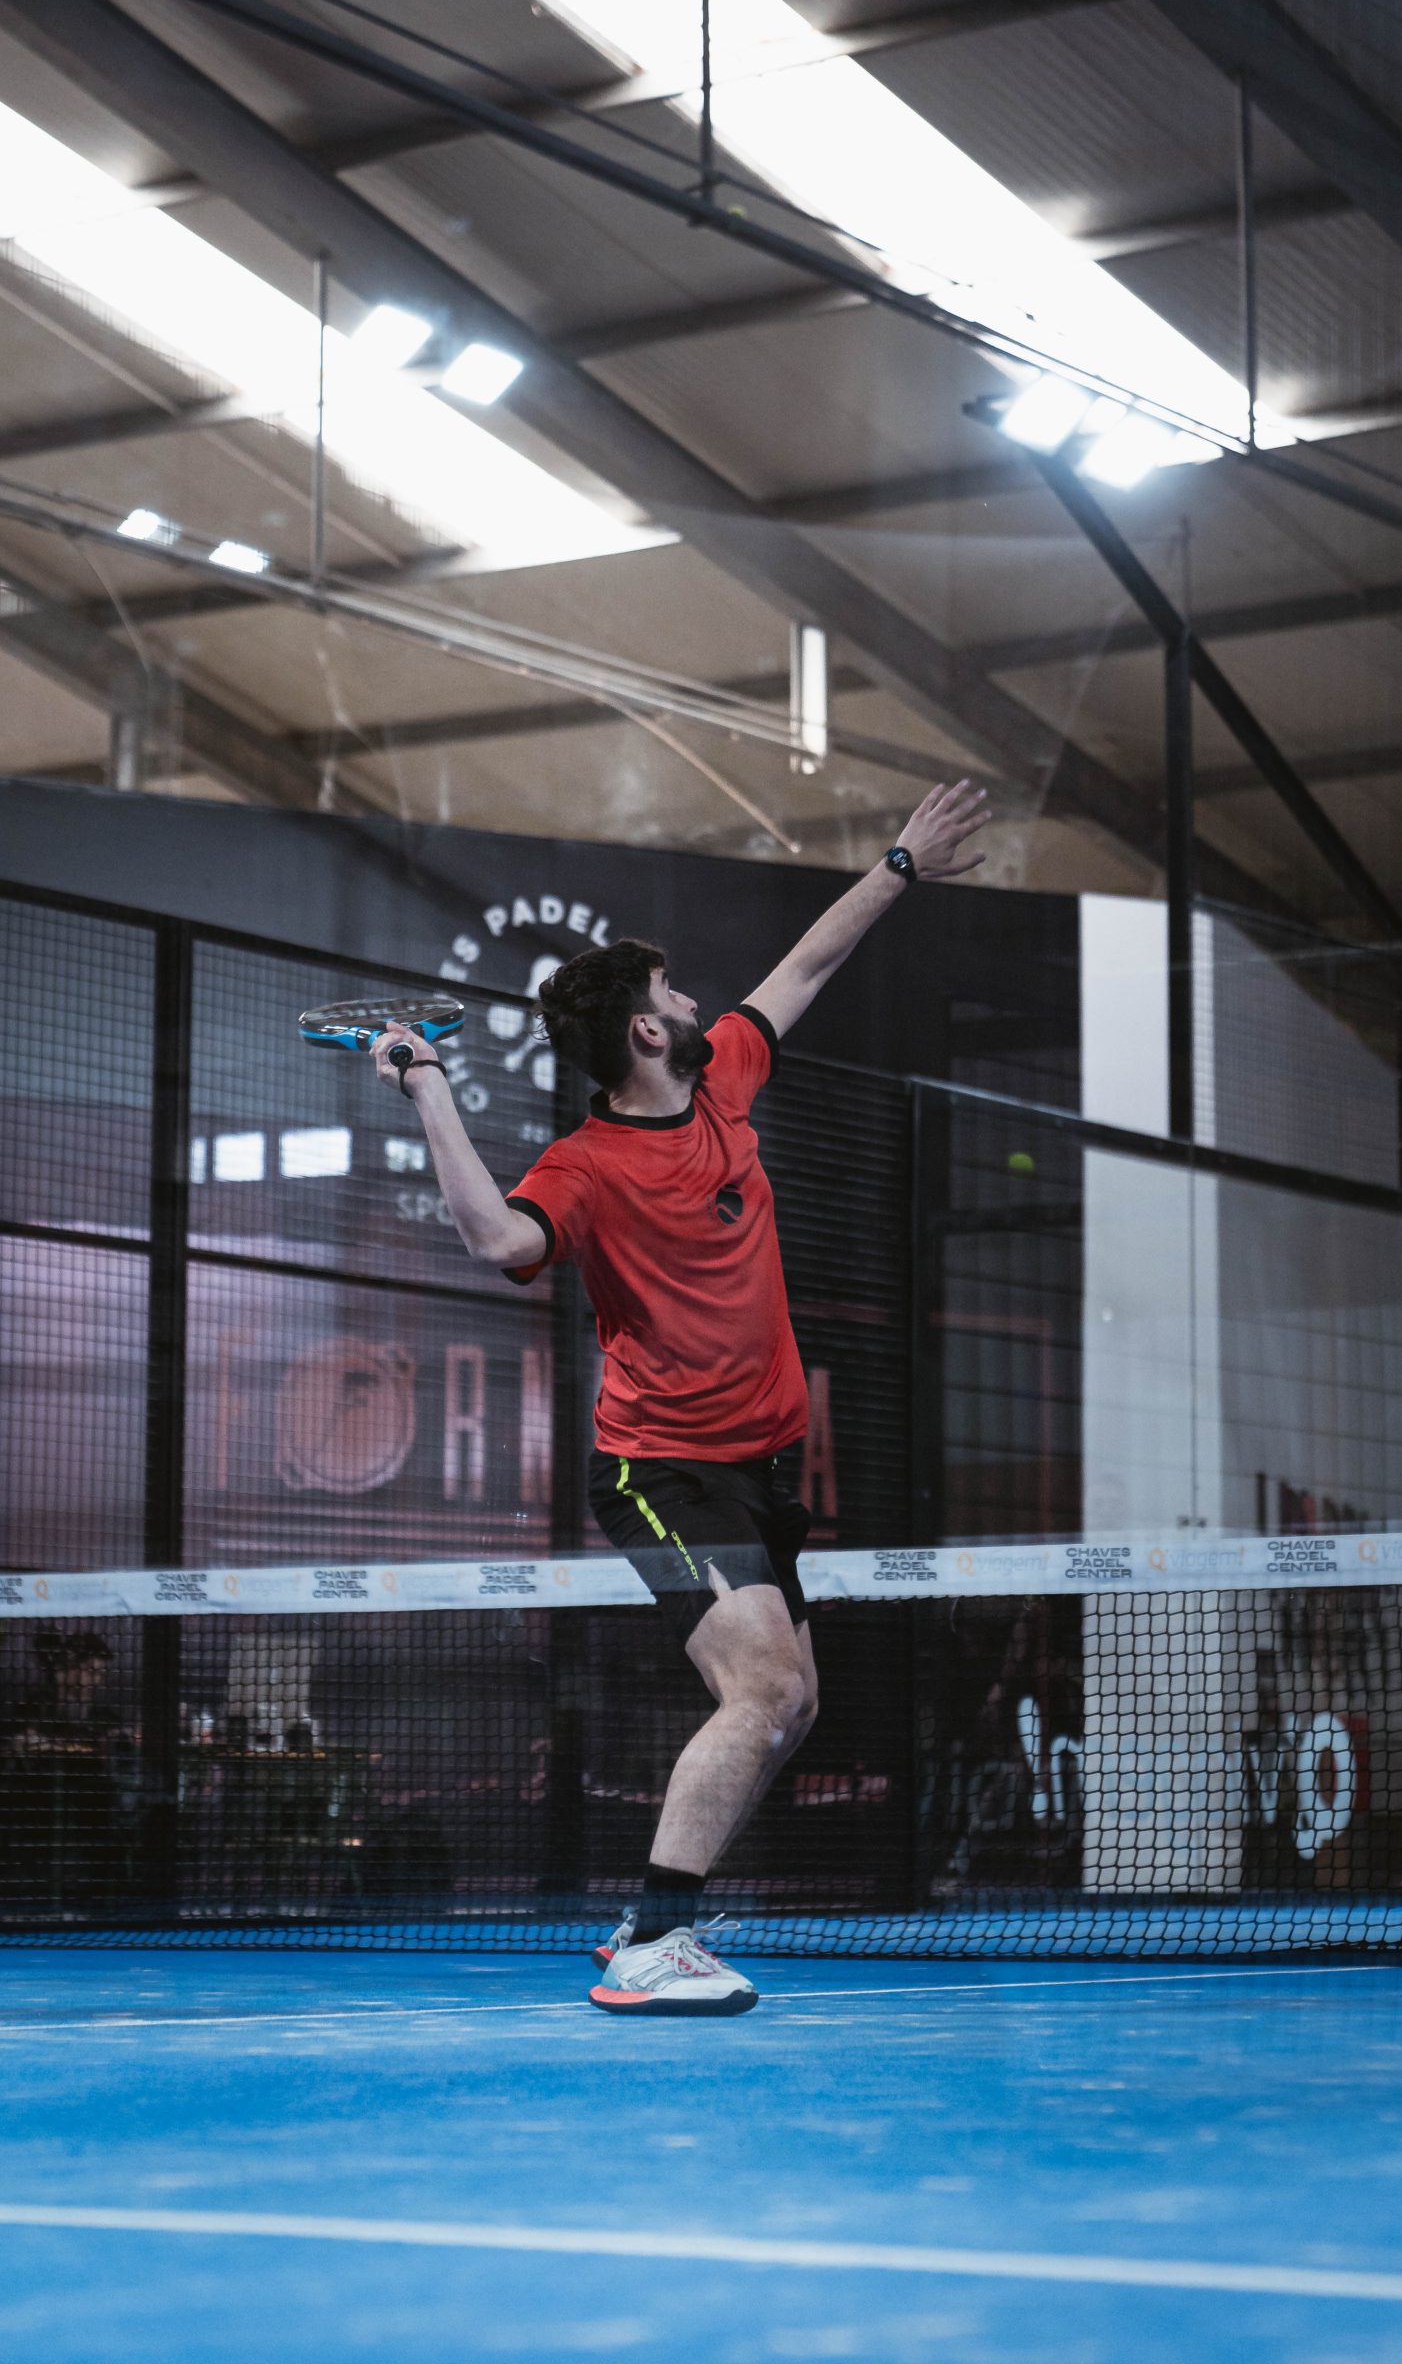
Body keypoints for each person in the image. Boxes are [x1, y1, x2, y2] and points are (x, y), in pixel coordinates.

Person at [371, 782, 990, 2014]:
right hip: (661, 1467)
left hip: (758, 1470)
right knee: (764, 1691)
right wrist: (431, 1086)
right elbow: (500, 1240)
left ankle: (645, 1920)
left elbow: (807, 965)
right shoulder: (586, 1166)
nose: (699, 1001)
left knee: (793, 1707)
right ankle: (659, 1939)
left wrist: (902, 864)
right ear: (647, 1033)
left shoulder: (727, 1083)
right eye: (672, 992)